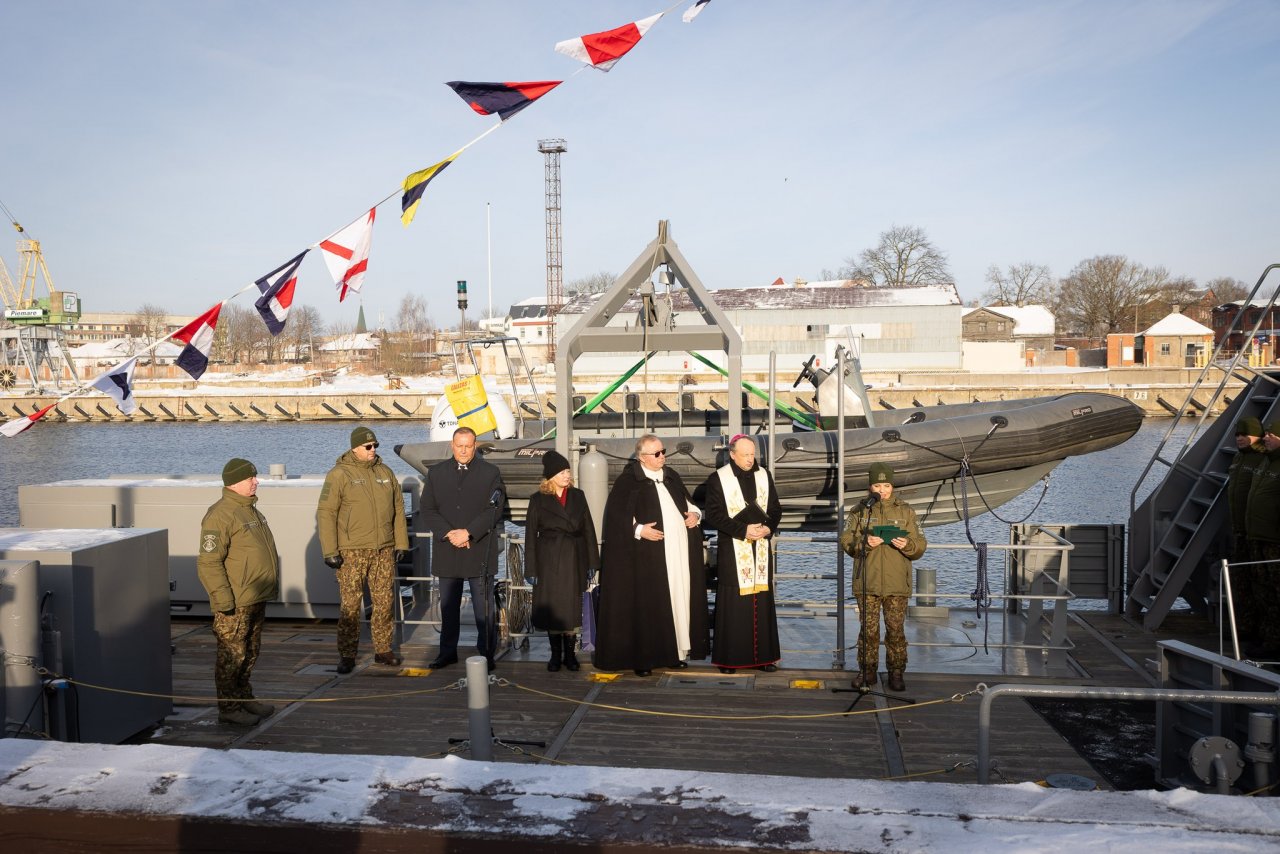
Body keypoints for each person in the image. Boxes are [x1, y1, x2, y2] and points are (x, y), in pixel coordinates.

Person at [595, 433, 708, 676]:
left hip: (677, 554)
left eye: (663, 451)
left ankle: (675, 653)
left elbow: (689, 504)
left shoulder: (671, 477)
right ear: (642, 457)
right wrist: (639, 529)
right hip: (646, 557)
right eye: (656, 453)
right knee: (648, 607)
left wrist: (695, 515)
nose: (662, 457)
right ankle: (644, 658)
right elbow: (616, 517)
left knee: (678, 601)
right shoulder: (628, 481)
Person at [317, 426, 410, 674]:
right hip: (351, 551)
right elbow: (326, 513)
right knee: (350, 605)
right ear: (355, 448)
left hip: (383, 550)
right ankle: (347, 654)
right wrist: (330, 550)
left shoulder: (385, 473)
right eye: (368, 447)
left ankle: (383, 650)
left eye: (375, 446)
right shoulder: (338, 475)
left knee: (384, 602)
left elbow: (398, 509)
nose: (373, 450)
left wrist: (401, 542)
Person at [197, 458, 280, 727]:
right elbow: (209, 561)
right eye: (250, 478)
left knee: (250, 652)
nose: (256, 481)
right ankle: (229, 707)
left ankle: (245, 698)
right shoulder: (221, 514)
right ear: (234, 482)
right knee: (231, 655)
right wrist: (223, 599)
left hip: (255, 595)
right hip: (235, 599)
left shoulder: (250, 510)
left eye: (255, 477)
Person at [420, 426, 506, 671]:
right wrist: (450, 534)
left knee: (483, 609)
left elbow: (494, 509)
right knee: (448, 608)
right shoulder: (437, 473)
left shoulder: (490, 473)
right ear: (452, 444)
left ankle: (486, 653)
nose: (464, 451)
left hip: (478, 550)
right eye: (460, 446)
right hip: (448, 550)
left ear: (475, 445)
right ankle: (447, 652)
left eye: (469, 446)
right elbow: (428, 509)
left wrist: (468, 532)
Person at [838, 463, 926, 692]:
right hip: (868, 581)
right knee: (868, 631)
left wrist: (907, 544)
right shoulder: (859, 511)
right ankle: (867, 671)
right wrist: (863, 543)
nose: (882, 490)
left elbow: (920, 545)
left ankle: (896, 672)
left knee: (895, 630)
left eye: (886, 485)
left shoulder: (906, 511)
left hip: (897, 583)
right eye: (877, 485)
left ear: (892, 485)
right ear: (870, 486)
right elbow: (846, 541)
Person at [701, 434, 783, 674]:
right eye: (745, 455)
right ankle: (730, 660)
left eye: (752, 454)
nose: (750, 459)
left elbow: (776, 508)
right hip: (733, 547)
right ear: (732, 454)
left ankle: (764, 658)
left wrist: (769, 528)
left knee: (762, 603)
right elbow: (714, 515)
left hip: (761, 547)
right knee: (733, 605)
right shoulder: (718, 479)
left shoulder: (764, 475)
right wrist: (744, 530)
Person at [523, 450, 600, 672]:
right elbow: (530, 537)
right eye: (562, 471)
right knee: (554, 609)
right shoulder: (538, 500)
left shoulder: (578, 496)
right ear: (551, 476)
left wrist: (592, 563)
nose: (567, 475)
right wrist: (531, 568)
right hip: (548, 561)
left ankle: (571, 655)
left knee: (573, 608)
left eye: (568, 471)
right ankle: (555, 655)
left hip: (575, 558)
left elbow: (588, 530)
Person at [1226, 416, 1265, 647]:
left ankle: (1266, 634)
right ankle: (1246, 628)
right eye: (1238, 435)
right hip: (1241, 529)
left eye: (1245, 434)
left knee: (1262, 584)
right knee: (1242, 582)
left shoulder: (1262, 459)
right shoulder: (1239, 457)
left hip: (1257, 531)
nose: (1240, 439)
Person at [1244, 420, 1280, 657]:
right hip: (1258, 537)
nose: (1265, 438)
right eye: (1265, 434)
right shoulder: (1266, 461)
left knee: (1276, 593)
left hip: (1275, 542)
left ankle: (1275, 643)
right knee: (1263, 592)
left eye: (1271, 434)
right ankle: (1268, 639)